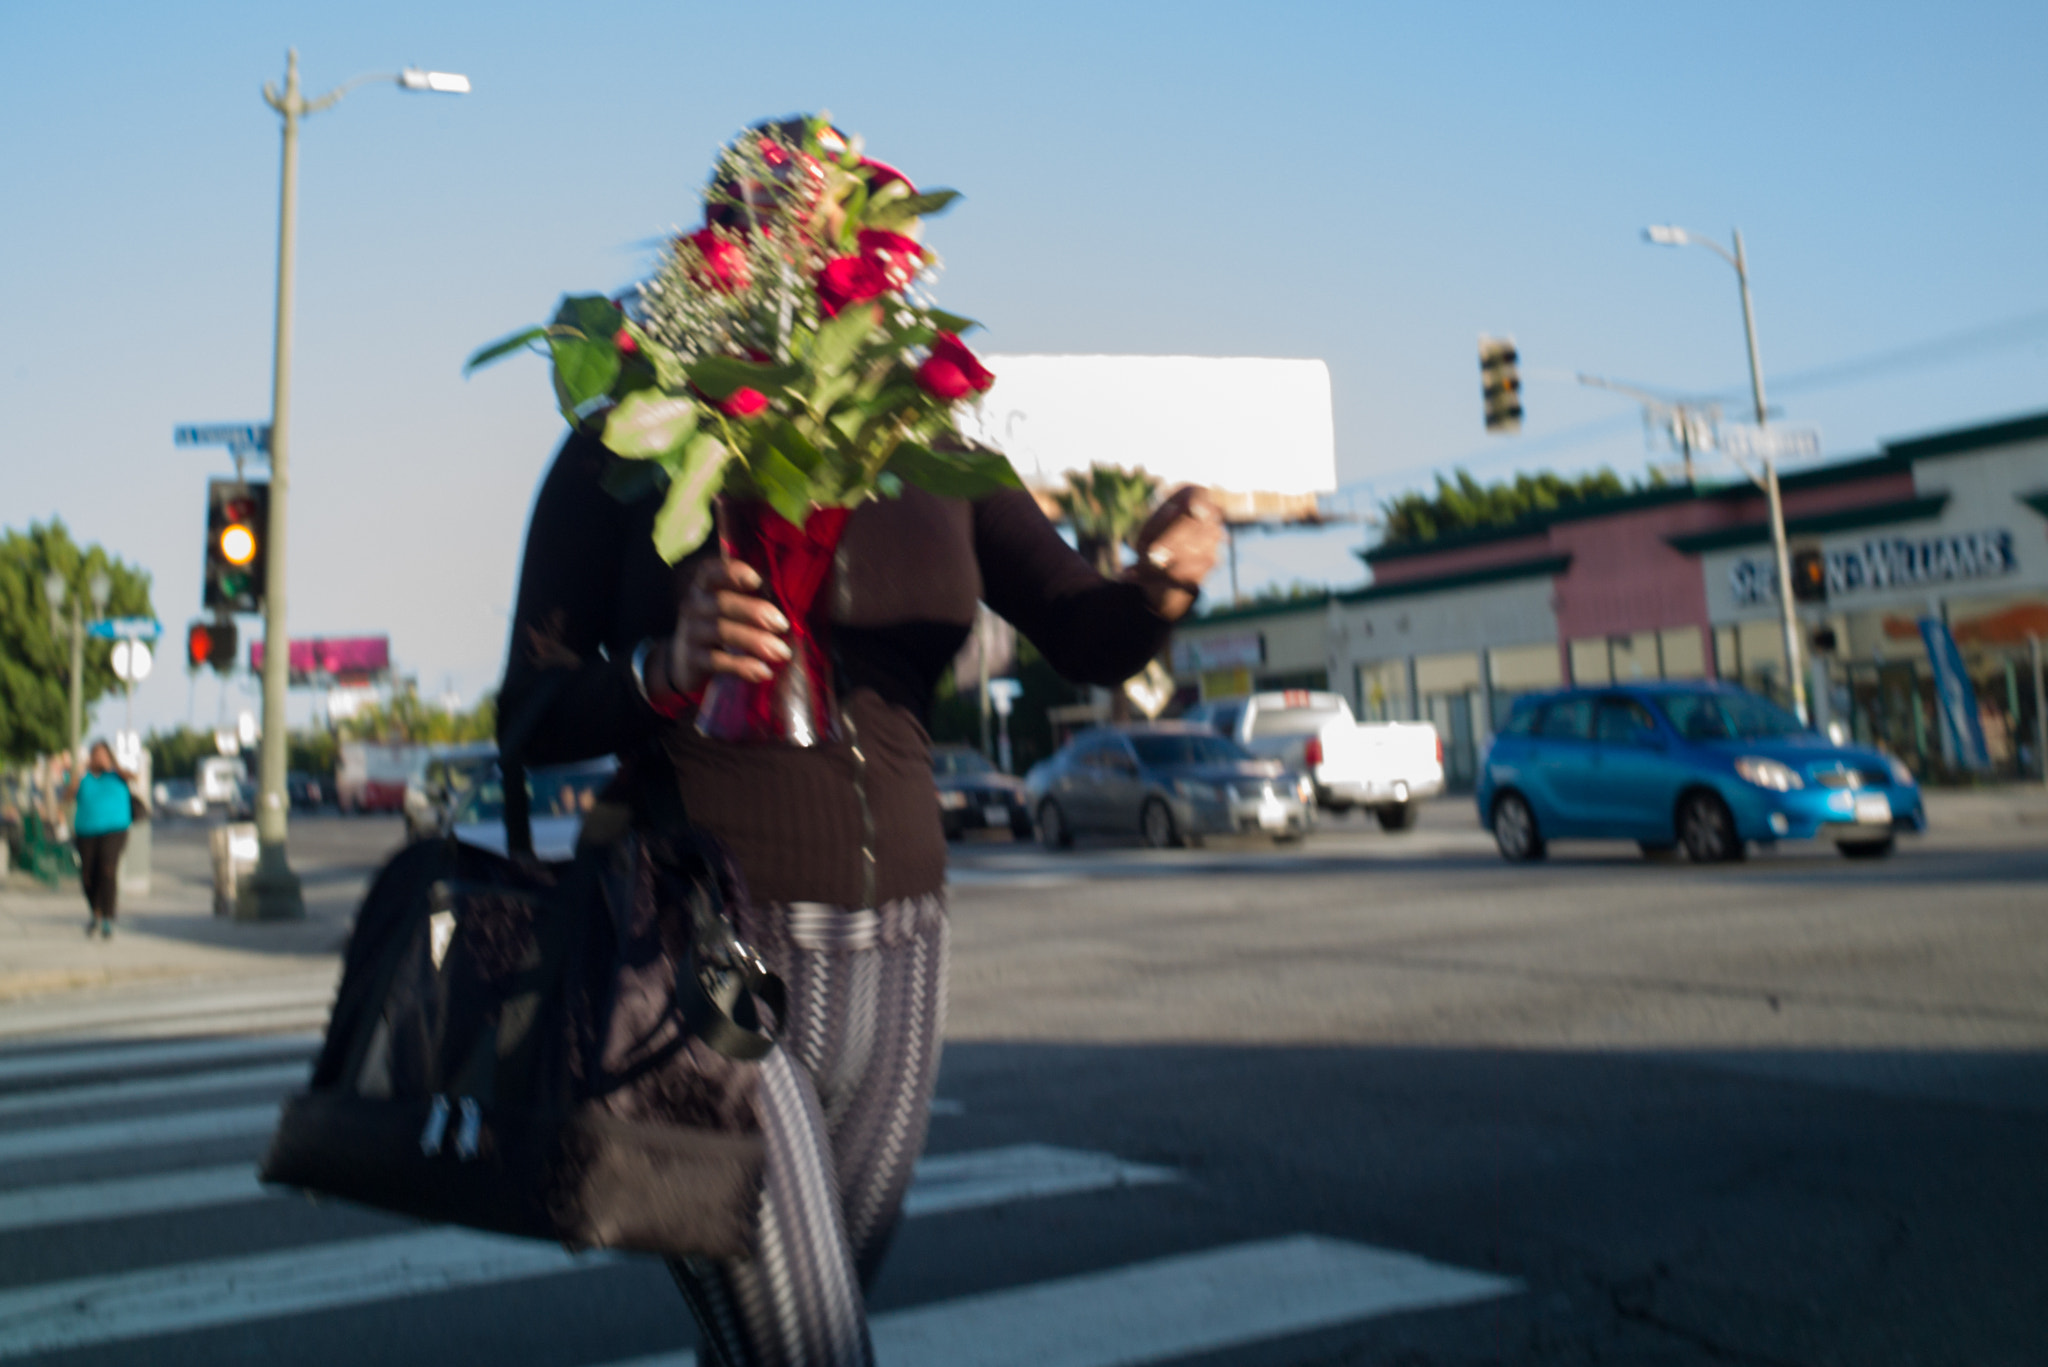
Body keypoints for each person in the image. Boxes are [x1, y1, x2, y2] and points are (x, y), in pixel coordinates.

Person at [500, 450, 1219, 1362]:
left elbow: (1085, 633)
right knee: (813, 1348)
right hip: (702, 952)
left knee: (777, 1337)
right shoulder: (630, 440)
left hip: (904, 957)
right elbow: (529, 708)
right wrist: (663, 667)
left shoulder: (937, 450)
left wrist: (1158, 584)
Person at [66, 741, 135, 939]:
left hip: (115, 829)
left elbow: (133, 777)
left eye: (103, 754)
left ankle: (108, 917)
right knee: (88, 874)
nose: (99, 758)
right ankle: (95, 912)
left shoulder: (118, 775)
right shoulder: (84, 778)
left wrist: (113, 765)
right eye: (96, 754)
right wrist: (76, 778)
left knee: (107, 868)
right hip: (86, 831)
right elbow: (68, 797)